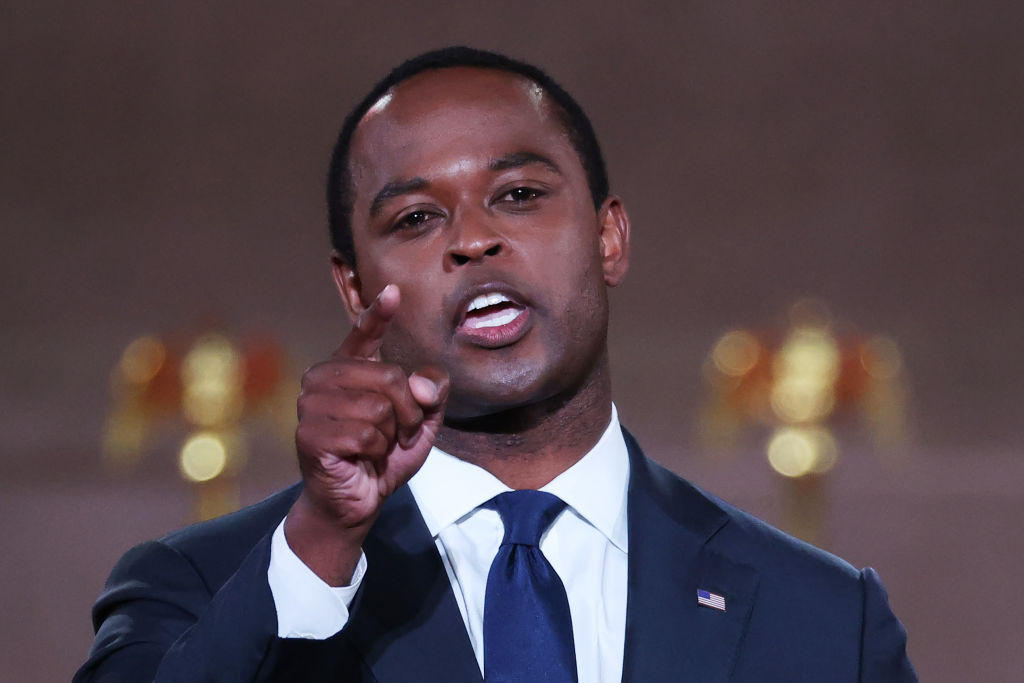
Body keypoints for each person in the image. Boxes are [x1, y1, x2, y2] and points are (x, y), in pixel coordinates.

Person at [74, 47, 917, 682]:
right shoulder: (198, 586)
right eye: (415, 217)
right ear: (353, 287)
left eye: (518, 195)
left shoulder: (826, 620)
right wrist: (321, 545)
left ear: (609, 237)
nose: (474, 238)